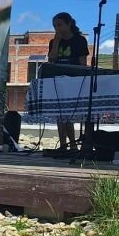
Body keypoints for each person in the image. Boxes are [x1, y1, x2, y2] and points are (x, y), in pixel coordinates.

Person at [49, 11, 90, 154]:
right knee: (60, 114)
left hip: (74, 81)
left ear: (69, 24)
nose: (57, 28)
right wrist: (56, 42)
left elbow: (82, 64)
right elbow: (52, 60)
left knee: (68, 114)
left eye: (60, 25)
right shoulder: (54, 42)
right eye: (55, 26)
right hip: (58, 81)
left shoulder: (79, 40)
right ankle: (63, 144)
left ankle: (73, 145)